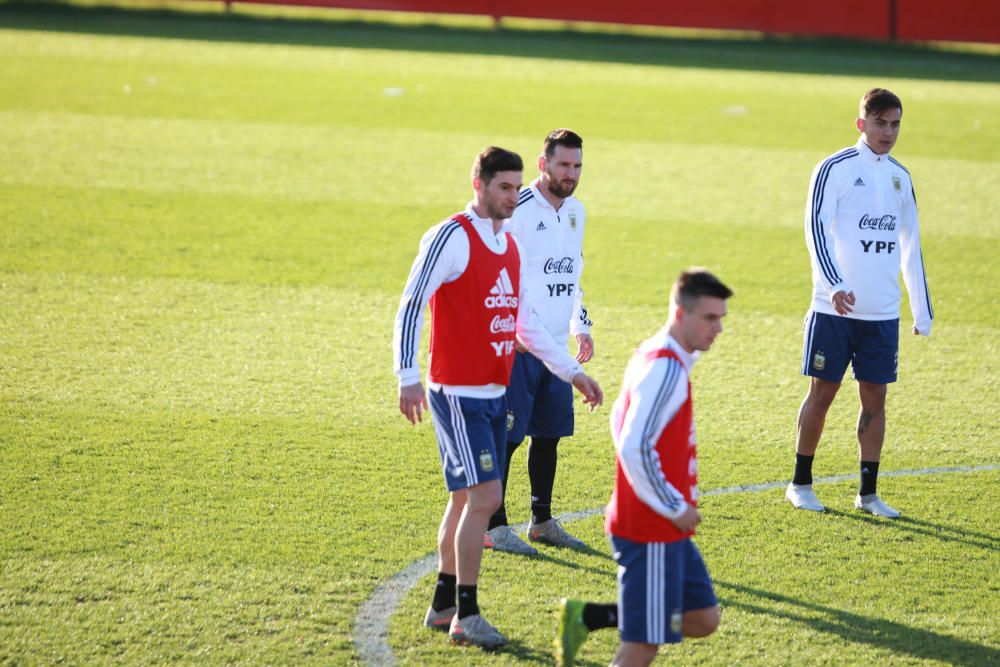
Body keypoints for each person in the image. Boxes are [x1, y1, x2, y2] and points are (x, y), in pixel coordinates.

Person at [392, 146, 603, 650]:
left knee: (464, 499)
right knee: (486, 498)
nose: (514, 196)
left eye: (514, 187)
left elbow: (525, 322)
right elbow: (411, 302)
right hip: (458, 393)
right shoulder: (451, 236)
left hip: (492, 389)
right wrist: (407, 375)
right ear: (478, 184)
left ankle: (444, 604)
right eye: (503, 187)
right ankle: (467, 614)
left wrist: (571, 371)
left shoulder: (508, 241)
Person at [558, 269, 731, 667]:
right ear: (680, 313)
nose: (718, 328)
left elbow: (619, 420)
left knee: (704, 618)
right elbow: (635, 444)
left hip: (665, 527)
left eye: (721, 317)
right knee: (642, 648)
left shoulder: (654, 353)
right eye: (709, 318)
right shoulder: (665, 368)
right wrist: (673, 504)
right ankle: (629, 619)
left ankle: (592, 616)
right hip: (651, 527)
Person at [786, 88, 933, 518]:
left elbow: (912, 245)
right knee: (823, 391)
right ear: (861, 124)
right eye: (881, 123)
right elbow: (815, 229)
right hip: (834, 310)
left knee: (875, 399)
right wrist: (833, 284)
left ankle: (868, 494)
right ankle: (800, 483)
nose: (888, 132)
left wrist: (921, 311)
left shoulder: (900, 177)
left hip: (882, 313)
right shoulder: (834, 168)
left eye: (895, 124)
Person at [486, 129, 595, 556]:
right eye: (564, 164)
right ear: (542, 163)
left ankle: (541, 520)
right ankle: (494, 526)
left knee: (548, 434)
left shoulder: (576, 212)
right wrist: (516, 331)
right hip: (518, 347)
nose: (571, 174)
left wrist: (579, 324)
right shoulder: (519, 210)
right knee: (508, 437)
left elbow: (572, 273)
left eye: (578, 166)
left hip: (554, 347)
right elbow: (504, 277)